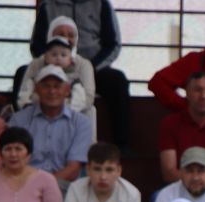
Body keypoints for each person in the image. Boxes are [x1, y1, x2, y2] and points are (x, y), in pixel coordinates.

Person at [28, 0, 130, 145]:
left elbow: (112, 44)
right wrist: (53, 65)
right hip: (52, 69)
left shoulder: (101, 4)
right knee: (22, 74)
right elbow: (36, 45)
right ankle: (22, 139)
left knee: (117, 81)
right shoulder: (48, 5)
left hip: (94, 68)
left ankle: (121, 146)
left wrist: (90, 67)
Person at [8, 66, 93, 188]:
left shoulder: (81, 123)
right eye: (46, 86)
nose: (52, 91)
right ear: (36, 89)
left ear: (67, 90)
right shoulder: (18, 120)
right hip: (24, 184)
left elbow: (73, 169)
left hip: (64, 185)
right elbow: (12, 161)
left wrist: (44, 185)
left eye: (57, 86)